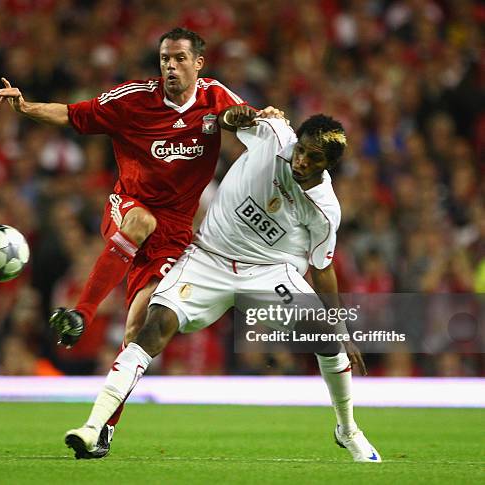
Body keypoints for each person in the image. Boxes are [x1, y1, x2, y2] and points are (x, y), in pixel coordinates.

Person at [0, 27, 282, 456]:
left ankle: (103, 428)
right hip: (128, 206)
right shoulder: (130, 100)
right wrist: (27, 106)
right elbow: (74, 115)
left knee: (139, 329)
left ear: (198, 64)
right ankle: (82, 314)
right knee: (141, 221)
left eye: (180, 58)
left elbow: (244, 119)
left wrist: (265, 117)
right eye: (165, 58)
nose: (171, 66)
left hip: (177, 235)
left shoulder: (215, 96)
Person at [63, 114, 382, 463]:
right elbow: (225, 119)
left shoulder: (324, 208)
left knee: (326, 337)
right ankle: (93, 427)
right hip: (208, 258)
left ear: (330, 165)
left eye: (314, 158)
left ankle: (348, 430)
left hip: (267, 274)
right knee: (153, 327)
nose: (302, 160)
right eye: (302, 151)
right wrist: (238, 115)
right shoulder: (276, 136)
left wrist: (340, 327)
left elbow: (323, 269)